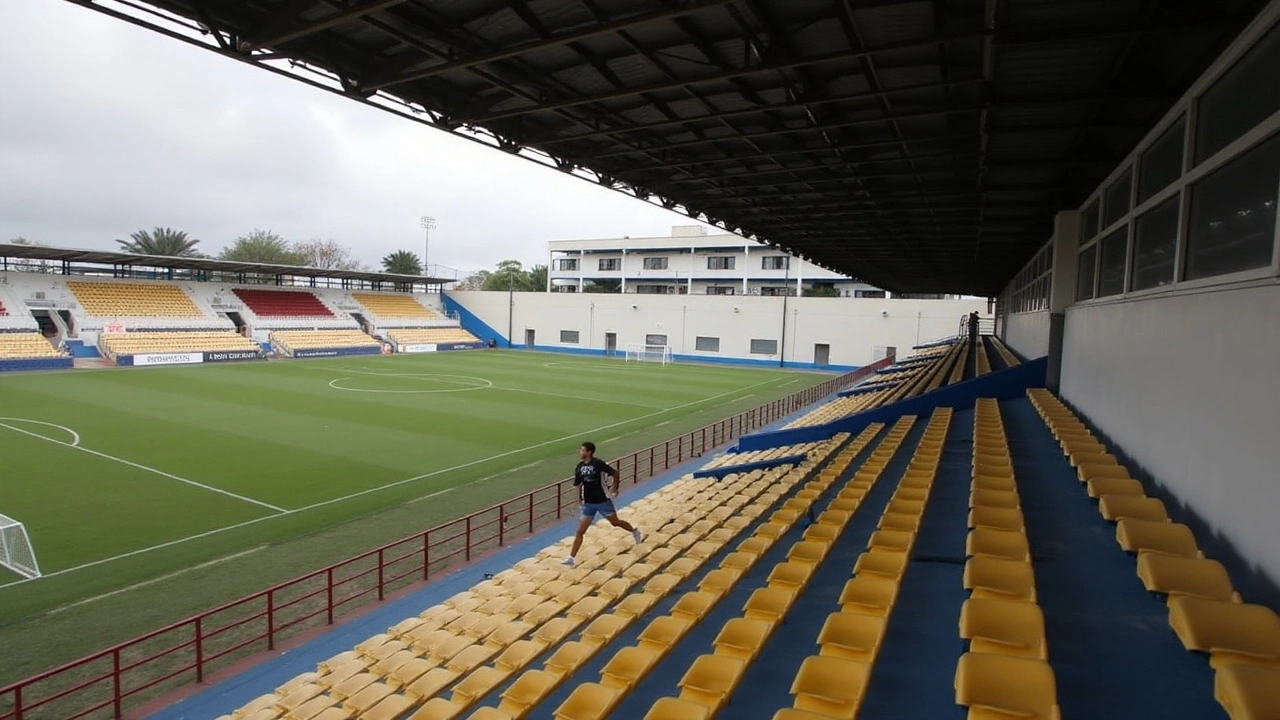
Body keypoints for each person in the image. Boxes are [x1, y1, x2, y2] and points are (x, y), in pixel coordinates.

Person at [562, 441, 642, 566]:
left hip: (602, 501)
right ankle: (571, 558)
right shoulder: (579, 467)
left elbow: (615, 473)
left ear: (589, 452)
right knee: (580, 531)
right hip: (588, 504)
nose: (580, 452)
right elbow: (578, 484)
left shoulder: (598, 464)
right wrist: (580, 498)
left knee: (615, 523)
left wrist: (615, 488)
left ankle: (634, 531)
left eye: (582, 450)